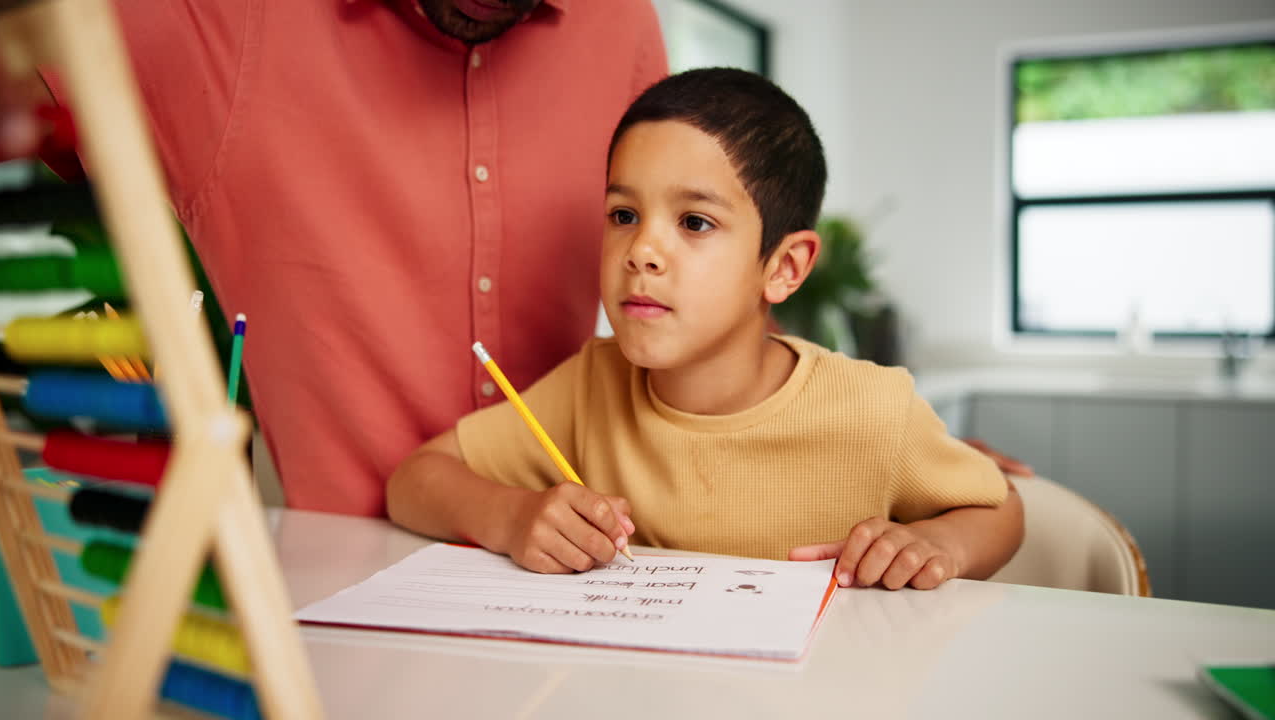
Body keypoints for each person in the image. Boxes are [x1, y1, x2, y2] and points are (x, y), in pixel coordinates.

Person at [0, 0, 669, 516]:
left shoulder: (621, 22)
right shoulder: (227, 21)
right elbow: (23, 67)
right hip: (326, 597)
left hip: (579, 574)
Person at [386, 68, 1024, 590]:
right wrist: (509, 516)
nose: (641, 250)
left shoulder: (873, 408)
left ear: (784, 267)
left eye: (694, 222)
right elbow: (414, 482)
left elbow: (999, 508)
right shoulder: (591, 384)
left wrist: (936, 544)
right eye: (623, 213)